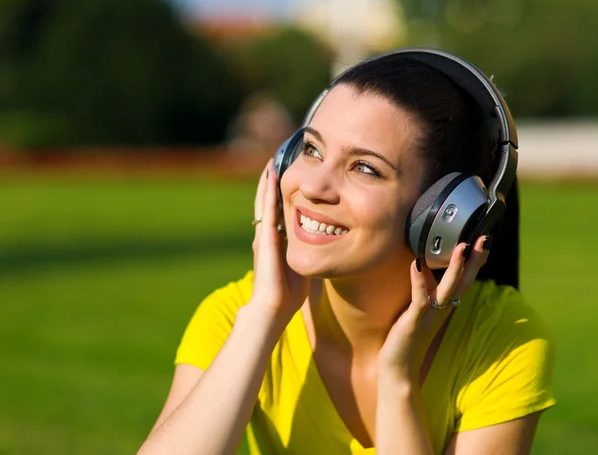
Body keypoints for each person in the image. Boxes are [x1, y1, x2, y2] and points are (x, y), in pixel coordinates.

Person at [138, 49, 555, 455]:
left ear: (444, 216)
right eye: (312, 150)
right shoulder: (234, 317)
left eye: (365, 168)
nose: (314, 187)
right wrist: (265, 315)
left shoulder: (501, 342)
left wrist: (398, 380)